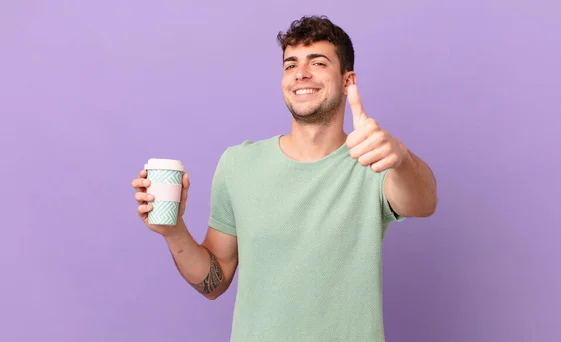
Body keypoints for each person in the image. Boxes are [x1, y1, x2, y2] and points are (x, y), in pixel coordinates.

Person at [132, 15, 437, 342]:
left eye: (317, 62)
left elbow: (424, 201)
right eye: (290, 65)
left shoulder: (372, 160)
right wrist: (173, 231)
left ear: (348, 81)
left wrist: (400, 157)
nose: (301, 73)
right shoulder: (239, 164)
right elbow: (215, 281)